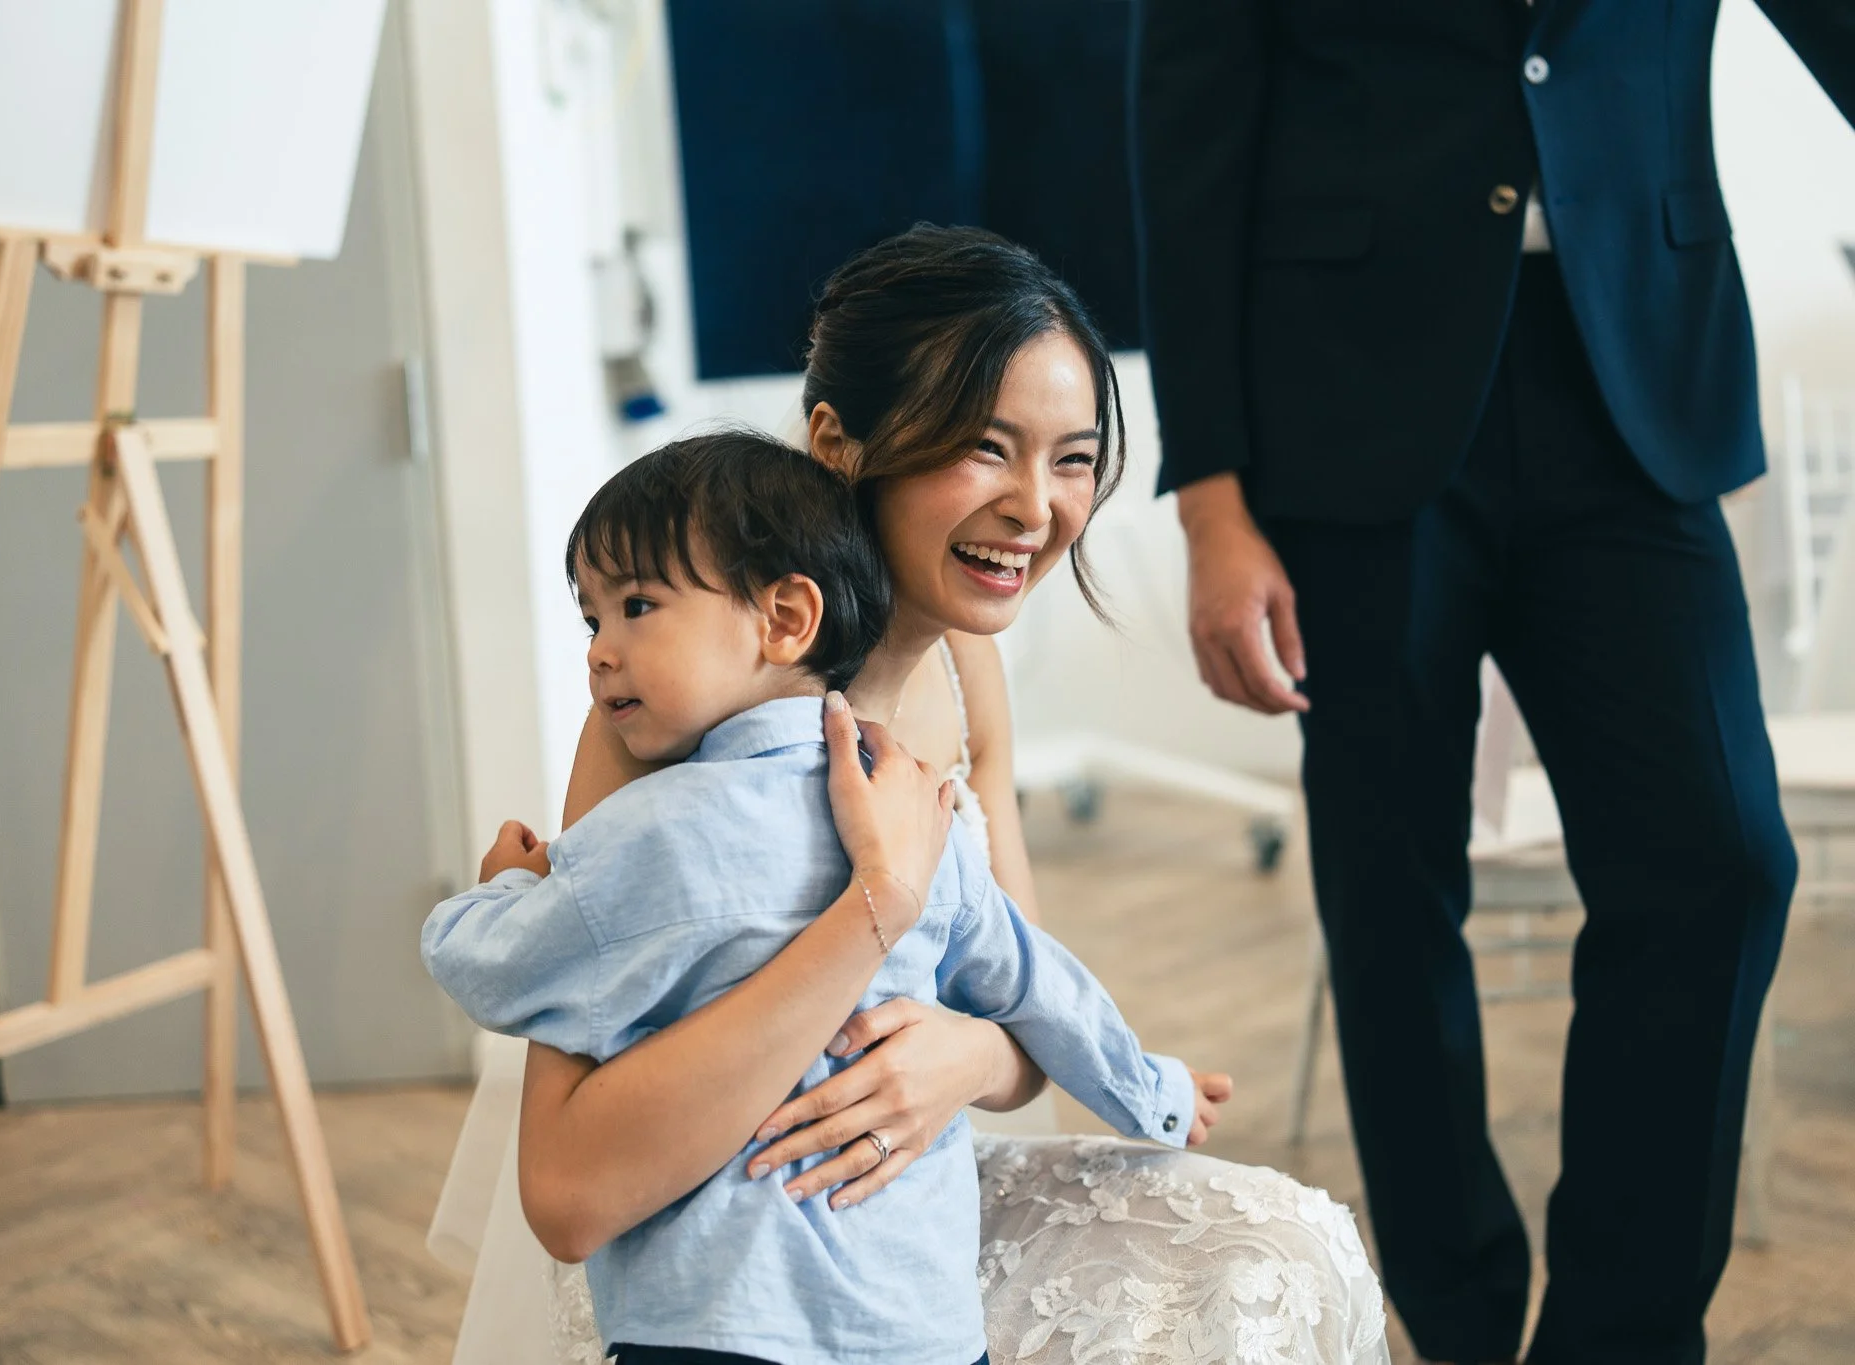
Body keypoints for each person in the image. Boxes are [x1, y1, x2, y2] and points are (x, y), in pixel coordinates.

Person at [430, 225, 1391, 1365]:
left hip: (899, 1217)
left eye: (1072, 459)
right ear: (839, 443)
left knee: (1282, 1247)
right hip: (709, 1262)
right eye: (986, 448)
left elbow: (1019, 985)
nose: (1036, 509)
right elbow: (571, 1191)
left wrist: (968, 1060)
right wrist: (870, 913)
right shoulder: (663, 706)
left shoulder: (963, 668)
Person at [1129, 5, 1855, 1363]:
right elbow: (1185, 146)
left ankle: (1618, 1336)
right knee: (1392, 887)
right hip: (1346, 407)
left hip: (1632, 374)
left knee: (1722, 860)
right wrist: (1210, 499)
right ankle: (1455, 1319)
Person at [427, 430, 1211, 1364]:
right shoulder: (925, 808)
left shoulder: (656, 831)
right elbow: (1043, 985)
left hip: (715, 1323)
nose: (601, 654)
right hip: (919, 1326)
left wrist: (505, 889)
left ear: (787, 615)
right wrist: (1156, 1092)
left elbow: (484, 963)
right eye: (593, 621)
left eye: (636, 606)